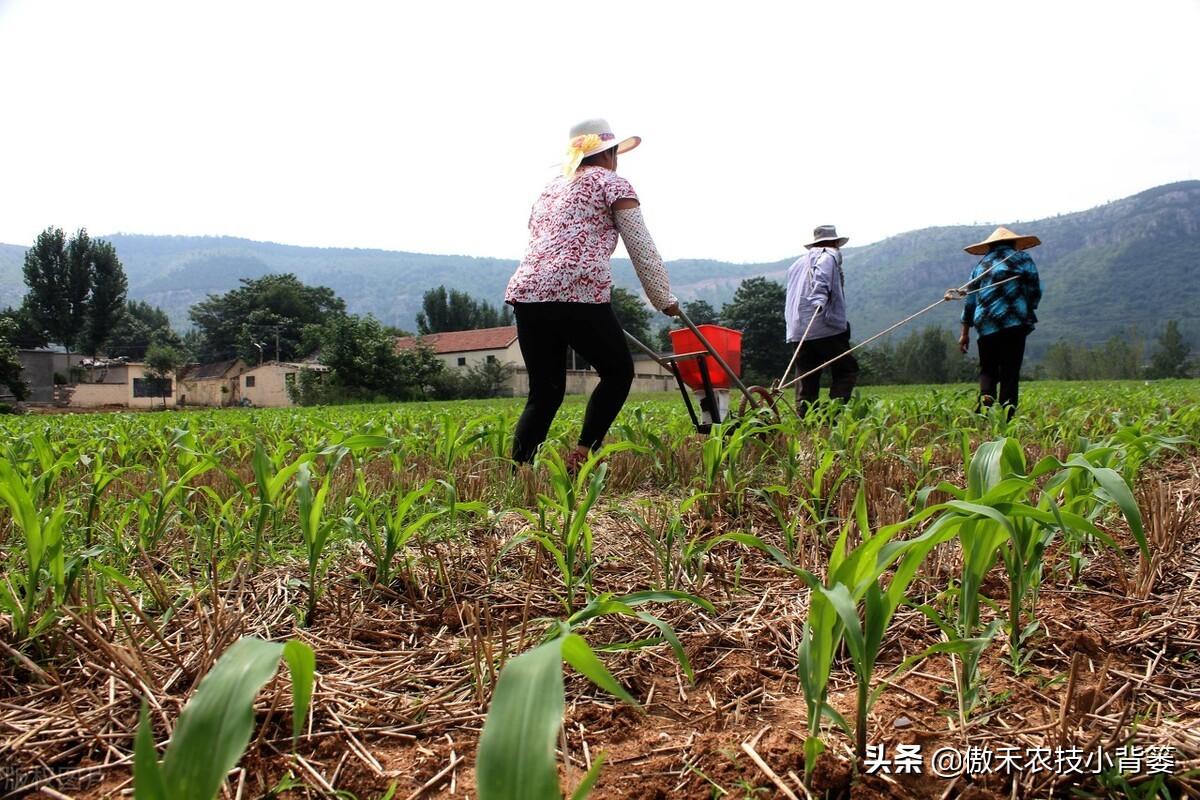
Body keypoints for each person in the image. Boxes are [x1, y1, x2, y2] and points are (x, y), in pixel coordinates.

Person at [505, 119, 680, 469]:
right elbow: (641, 246)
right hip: (578, 290)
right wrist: (663, 298)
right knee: (617, 372)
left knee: (544, 392)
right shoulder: (613, 184)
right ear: (610, 154)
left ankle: (518, 471)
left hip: (528, 292)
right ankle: (583, 454)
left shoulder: (551, 189)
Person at [957, 226, 1043, 417]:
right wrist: (1027, 307)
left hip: (985, 325)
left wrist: (964, 334)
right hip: (1014, 324)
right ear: (1013, 243)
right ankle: (1007, 417)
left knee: (988, 369)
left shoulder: (980, 266)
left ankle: (985, 407)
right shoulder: (1023, 259)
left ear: (990, 246)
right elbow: (1035, 291)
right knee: (1010, 371)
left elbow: (969, 301)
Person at [784, 224, 858, 414]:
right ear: (834, 242)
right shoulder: (828, 255)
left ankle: (805, 417)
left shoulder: (796, 264)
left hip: (798, 329)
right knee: (846, 369)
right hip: (823, 324)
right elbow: (823, 278)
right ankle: (833, 414)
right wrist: (820, 299)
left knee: (807, 375)